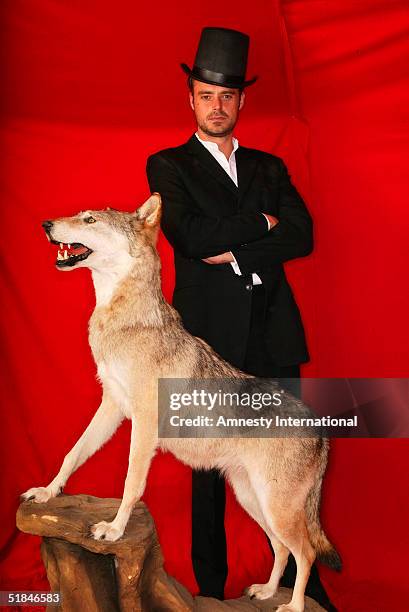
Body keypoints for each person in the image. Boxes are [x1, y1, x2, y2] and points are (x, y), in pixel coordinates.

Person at [146, 26, 335, 611]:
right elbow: (189, 235)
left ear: (241, 101)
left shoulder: (269, 168)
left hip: (274, 333)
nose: (217, 106)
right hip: (206, 343)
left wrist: (238, 247)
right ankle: (208, 589)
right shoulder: (168, 165)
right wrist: (263, 225)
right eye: (206, 95)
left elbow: (301, 236)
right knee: (209, 478)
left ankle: (307, 590)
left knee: (293, 460)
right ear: (192, 99)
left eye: (227, 96)